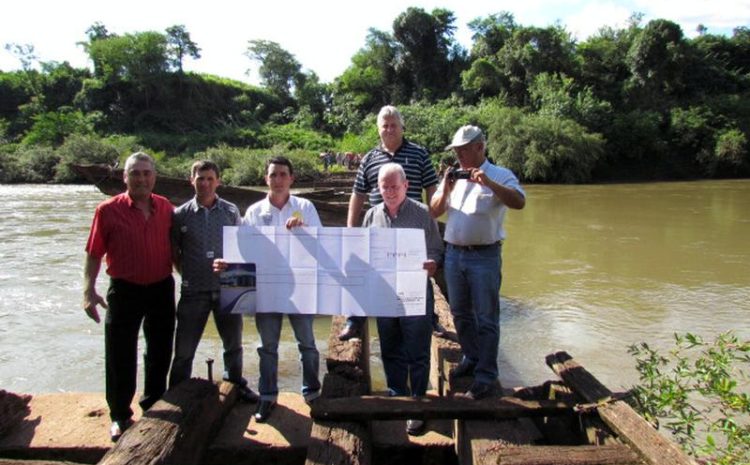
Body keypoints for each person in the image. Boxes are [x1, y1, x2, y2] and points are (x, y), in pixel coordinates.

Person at [83, 152, 175, 442]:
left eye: (147, 173)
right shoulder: (107, 210)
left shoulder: (166, 208)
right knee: (120, 352)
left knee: (160, 350)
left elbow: (178, 251)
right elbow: (94, 253)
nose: (141, 178)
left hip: (161, 287)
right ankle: (120, 414)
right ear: (125, 177)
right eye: (135, 173)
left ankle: (153, 404)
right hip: (124, 289)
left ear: (154, 177)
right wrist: (88, 290)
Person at [429, 125, 526, 400]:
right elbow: (434, 212)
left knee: (486, 317)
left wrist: (489, 185)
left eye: (463, 150)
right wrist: (446, 187)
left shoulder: (500, 174)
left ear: (480, 147)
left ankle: (486, 375)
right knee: (459, 312)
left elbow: (519, 202)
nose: (458, 155)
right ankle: (471, 357)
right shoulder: (454, 176)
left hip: (485, 256)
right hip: (454, 254)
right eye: (456, 150)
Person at [228, 156, 322, 423]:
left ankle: (312, 392)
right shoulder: (254, 212)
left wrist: (304, 231)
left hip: (300, 289)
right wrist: (229, 267)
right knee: (267, 347)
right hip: (266, 289)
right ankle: (267, 396)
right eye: (273, 175)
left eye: (283, 174)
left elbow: (324, 247)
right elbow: (242, 251)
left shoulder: (306, 208)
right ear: (265, 179)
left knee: (308, 344)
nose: (278, 180)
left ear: (292, 178)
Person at [339, 105, 439, 341]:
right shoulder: (369, 159)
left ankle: (431, 319)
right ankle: (355, 319)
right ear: (378, 129)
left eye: (394, 125)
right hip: (379, 226)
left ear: (402, 127)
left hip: (412, 227)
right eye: (385, 125)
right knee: (368, 273)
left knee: (420, 276)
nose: (389, 129)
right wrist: (352, 230)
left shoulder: (420, 154)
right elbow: (358, 194)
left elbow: (432, 191)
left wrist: (432, 224)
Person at [363, 163, 443, 435]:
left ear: (406, 186)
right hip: (384, 294)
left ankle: (417, 404)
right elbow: (363, 252)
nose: (389, 191)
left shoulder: (423, 214)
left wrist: (432, 262)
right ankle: (398, 397)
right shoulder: (371, 215)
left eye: (394, 186)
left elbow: (436, 248)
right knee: (390, 347)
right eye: (384, 187)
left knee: (418, 350)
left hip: (416, 293)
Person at [168, 160, 259, 402]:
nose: (205, 183)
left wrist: (233, 267)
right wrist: (188, 273)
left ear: (218, 181)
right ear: (192, 181)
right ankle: (178, 392)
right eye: (200, 178)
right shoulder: (180, 215)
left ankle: (235, 385)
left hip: (229, 286)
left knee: (233, 345)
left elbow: (244, 248)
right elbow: (174, 253)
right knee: (184, 350)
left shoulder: (231, 211)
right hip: (193, 290)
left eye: (210, 178)